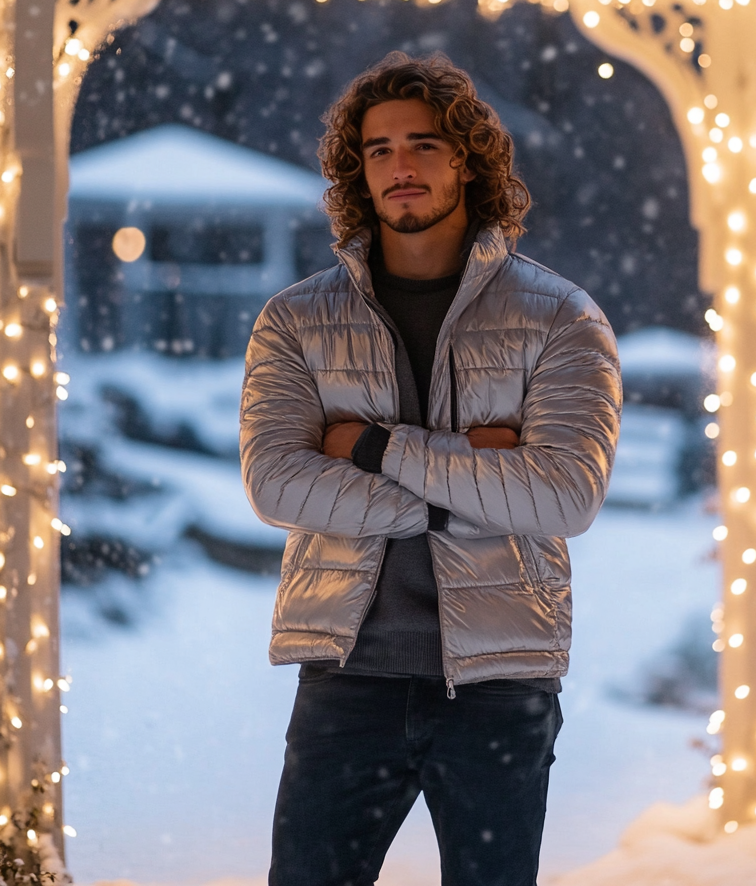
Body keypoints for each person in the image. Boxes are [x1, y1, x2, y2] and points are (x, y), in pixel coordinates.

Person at [240, 52, 621, 886]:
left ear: (468, 161)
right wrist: (472, 485)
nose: (400, 166)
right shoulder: (296, 320)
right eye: (379, 149)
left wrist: (375, 446)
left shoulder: (560, 318)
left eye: (423, 145)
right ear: (357, 169)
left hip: (500, 679)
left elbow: (564, 493)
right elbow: (276, 481)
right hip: (346, 675)